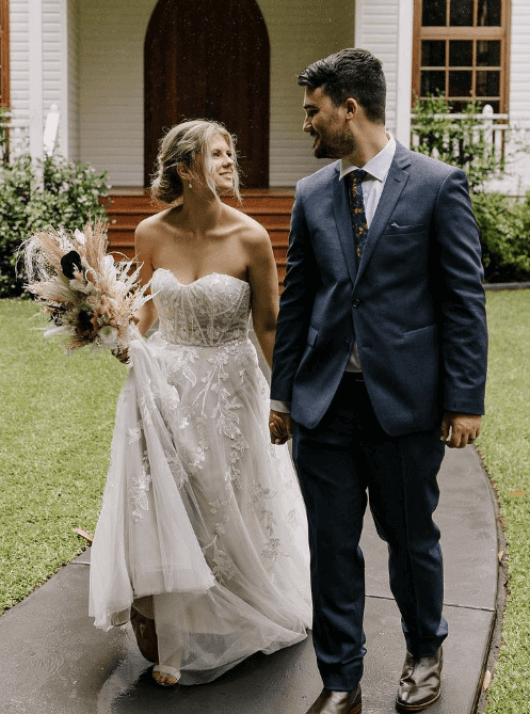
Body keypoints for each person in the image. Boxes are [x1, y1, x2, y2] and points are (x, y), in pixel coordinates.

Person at [268, 49, 487, 714]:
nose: (306, 123)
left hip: (406, 403)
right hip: (324, 402)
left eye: (313, 110)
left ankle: (424, 653)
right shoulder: (311, 194)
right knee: (332, 546)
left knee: (410, 538)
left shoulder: (438, 185)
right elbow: (297, 300)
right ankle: (341, 679)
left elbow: (463, 301)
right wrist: (282, 393)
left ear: (349, 108)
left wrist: (464, 400)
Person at [89, 119, 311, 688]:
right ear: (186, 169)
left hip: (231, 391)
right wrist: (118, 332)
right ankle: (177, 630)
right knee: (175, 505)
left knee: (226, 501)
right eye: (217, 153)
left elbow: (268, 327)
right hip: (163, 388)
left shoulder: (251, 237)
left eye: (230, 152)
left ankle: (237, 607)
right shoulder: (149, 232)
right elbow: (144, 311)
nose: (230, 161)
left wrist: (283, 399)